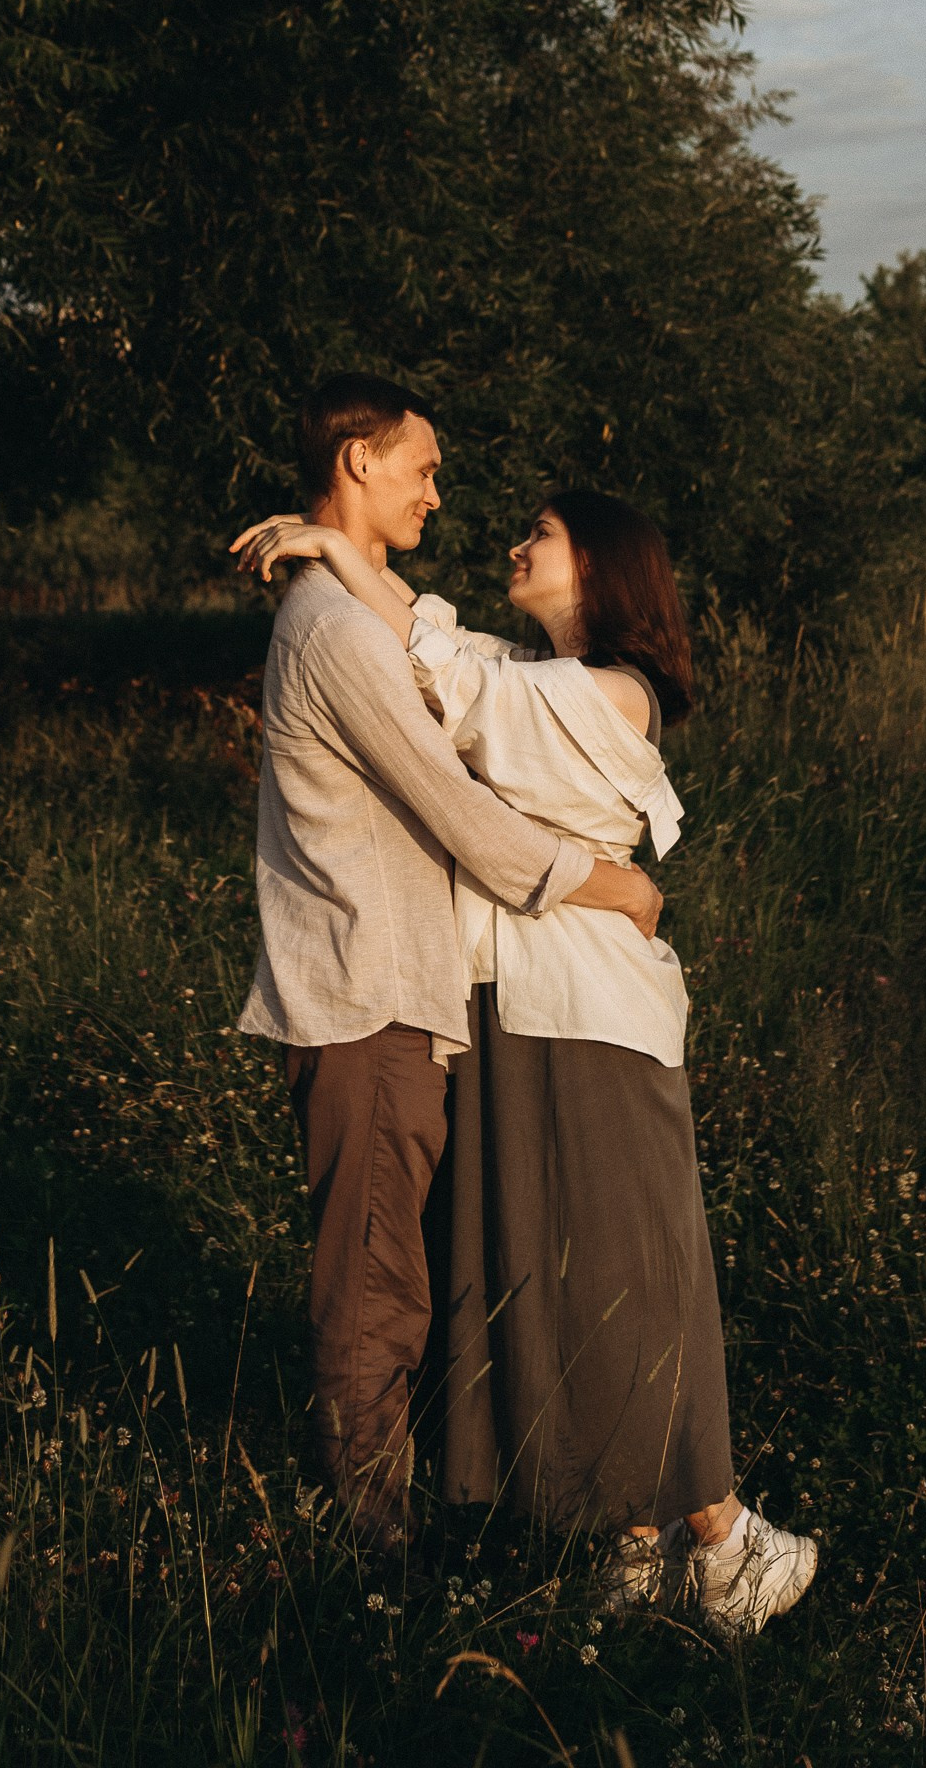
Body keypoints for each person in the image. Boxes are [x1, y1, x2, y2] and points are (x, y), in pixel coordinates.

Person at [233, 482, 818, 1636]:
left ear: (598, 566)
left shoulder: (613, 694)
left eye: (539, 534)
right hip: (513, 1002)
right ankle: (638, 1543)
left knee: (627, 1270)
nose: (511, 540)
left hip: (587, 1004)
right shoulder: (527, 668)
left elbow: (459, 685)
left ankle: (729, 1532)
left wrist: (342, 556)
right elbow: (436, 645)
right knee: (552, 1268)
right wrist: (331, 546)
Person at [227, 375, 665, 1563]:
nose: (436, 487)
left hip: (396, 991)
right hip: (368, 995)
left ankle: (416, 1513)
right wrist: (618, 884)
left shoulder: (347, 614)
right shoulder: (331, 631)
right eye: (420, 465)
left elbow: (458, 669)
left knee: (395, 1265)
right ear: (358, 461)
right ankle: (376, 1553)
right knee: (376, 1285)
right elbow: (470, 822)